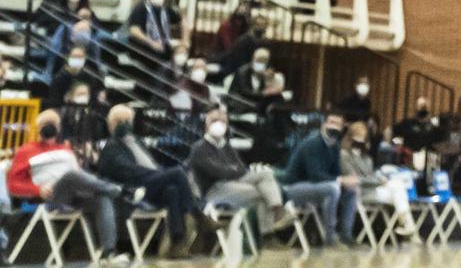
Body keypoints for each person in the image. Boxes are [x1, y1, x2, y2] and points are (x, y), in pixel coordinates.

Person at [8, 108, 128, 263]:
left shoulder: (65, 149)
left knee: (102, 199)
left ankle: (109, 253)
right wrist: (37, 190)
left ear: (58, 128)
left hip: (76, 196)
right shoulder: (26, 150)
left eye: (53, 124)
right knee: (70, 176)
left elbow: (81, 176)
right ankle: (120, 190)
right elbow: (13, 185)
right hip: (51, 196)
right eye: (46, 123)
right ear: (38, 127)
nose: (50, 126)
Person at [97, 102, 203, 256]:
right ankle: (198, 215)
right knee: (177, 173)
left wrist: (157, 174)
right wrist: (155, 175)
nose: (126, 125)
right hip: (133, 189)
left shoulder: (136, 142)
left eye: (128, 121)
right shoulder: (111, 147)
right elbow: (128, 172)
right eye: (122, 122)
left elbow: (151, 164)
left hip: (150, 183)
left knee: (172, 190)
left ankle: (177, 243)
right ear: (112, 124)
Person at [187, 108, 295, 242]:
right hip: (214, 190)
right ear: (206, 124)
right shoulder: (199, 148)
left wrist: (230, 170)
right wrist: (231, 170)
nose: (218, 124)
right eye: (214, 121)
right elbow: (217, 173)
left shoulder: (227, 147)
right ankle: (268, 234)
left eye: (222, 121)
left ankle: (278, 213)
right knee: (260, 192)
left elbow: (241, 168)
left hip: (236, 182)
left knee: (265, 174)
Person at [281, 111, 348, 245]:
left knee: (351, 190)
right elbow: (315, 175)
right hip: (293, 187)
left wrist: (342, 180)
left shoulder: (334, 145)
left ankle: (346, 235)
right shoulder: (312, 142)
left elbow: (336, 172)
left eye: (338, 124)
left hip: (315, 186)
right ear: (323, 125)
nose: (334, 127)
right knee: (333, 189)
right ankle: (330, 238)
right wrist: (339, 180)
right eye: (331, 122)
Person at [340, 120, 416, 239]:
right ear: (351, 136)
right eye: (358, 136)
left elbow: (369, 175)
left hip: (373, 190)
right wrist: (379, 181)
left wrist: (379, 178)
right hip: (360, 192)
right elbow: (355, 179)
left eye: (363, 137)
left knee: (397, 187)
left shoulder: (366, 157)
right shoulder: (344, 155)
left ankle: (407, 225)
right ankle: (408, 226)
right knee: (397, 188)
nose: (360, 140)